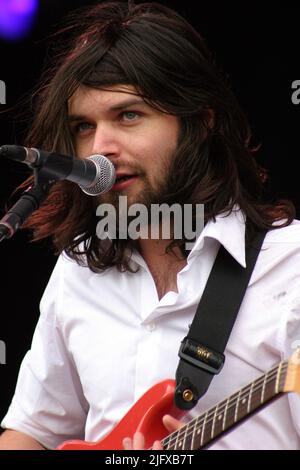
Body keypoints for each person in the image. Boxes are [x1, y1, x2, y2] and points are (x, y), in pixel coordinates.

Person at [0, 0, 300, 451]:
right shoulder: (77, 272)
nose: (100, 148)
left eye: (129, 115)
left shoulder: (291, 268)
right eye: (83, 126)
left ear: (198, 123)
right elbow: (31, 433)